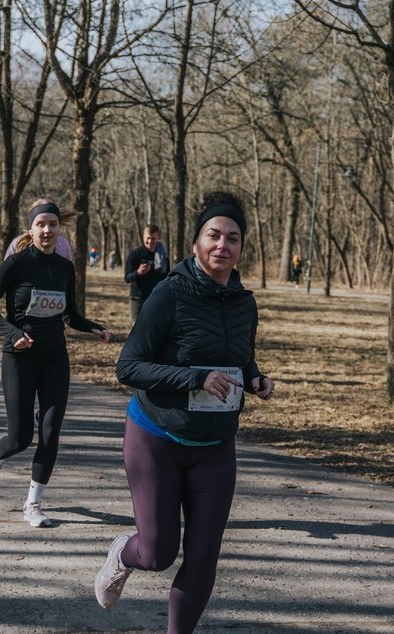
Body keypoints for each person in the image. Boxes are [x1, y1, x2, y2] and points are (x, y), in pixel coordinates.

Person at [94, 191, 275, 633]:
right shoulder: (168, 294)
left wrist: (255, 377)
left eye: (232, 238)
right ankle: (123, 552)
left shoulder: (244, 303)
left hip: (215, 446)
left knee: (202, 557)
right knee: (157, 553)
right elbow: (128, 366)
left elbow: (238, 357)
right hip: (156, 437)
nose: (222, 245)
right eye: (213, 235)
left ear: (240, 248)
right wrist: (195, 378)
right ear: (195, 243)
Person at [0, 198, 111, 528]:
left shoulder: (65, 268)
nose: (47, 230)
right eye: (41, 224)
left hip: (54, 357)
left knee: (50, 432)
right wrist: (12, 331)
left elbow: (70, 314)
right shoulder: (16, 265)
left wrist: (93, 327)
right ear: (31, 229)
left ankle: (33, 504)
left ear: (59, 230)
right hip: (18, 358)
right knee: (20, 437)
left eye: (52, 224)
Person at [124, 224, 170, 322]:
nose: (150, 241)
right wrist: (138, 272)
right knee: (136, 328)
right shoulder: (135, 255)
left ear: (158, 238)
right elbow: (127, 278)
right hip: (137, 298)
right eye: (147, 238)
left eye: (153, 238)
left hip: (156, 298)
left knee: (153, 328)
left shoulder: (163, 256)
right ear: (143, 237)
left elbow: (166, 277)